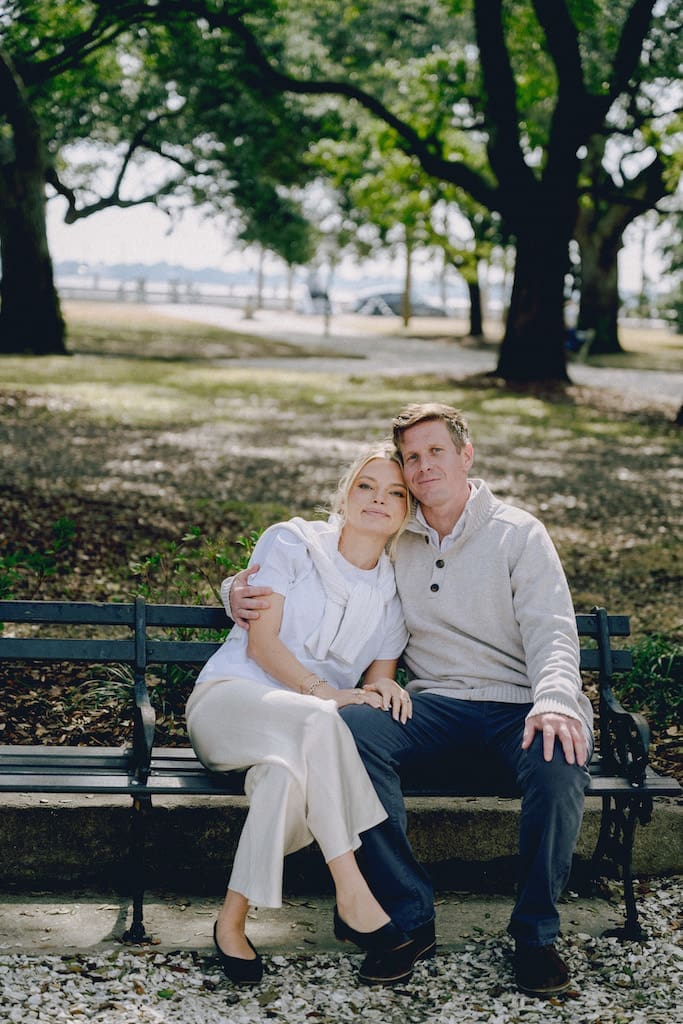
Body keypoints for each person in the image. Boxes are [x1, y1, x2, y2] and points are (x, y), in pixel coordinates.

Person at [226, 403, 594, 996]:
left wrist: (554, 698)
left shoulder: (518, 533)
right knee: (351, 729)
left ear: (466, 456)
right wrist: (237, 591)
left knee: (561, 758)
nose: (423, 467)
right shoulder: (400, 535)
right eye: (412, 457)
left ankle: (536, 937)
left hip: (519, 704)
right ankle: (406, 917)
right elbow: (326, 556)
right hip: (435, 707)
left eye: (435, 452)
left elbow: (552, 629)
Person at [186, 443, 415, 986]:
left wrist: (387, 688)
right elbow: (263, 647)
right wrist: (324, 692)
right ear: (345, 493)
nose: (378, 499)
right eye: (366, 485)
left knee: (283, 785)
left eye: (396, 493)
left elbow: (378, 676)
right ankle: (353, 891)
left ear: (408, 512)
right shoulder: (291, 542)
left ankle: (231, 923)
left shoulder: (391, 595)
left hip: (298, 739)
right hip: (229, 703)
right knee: (320, 719)